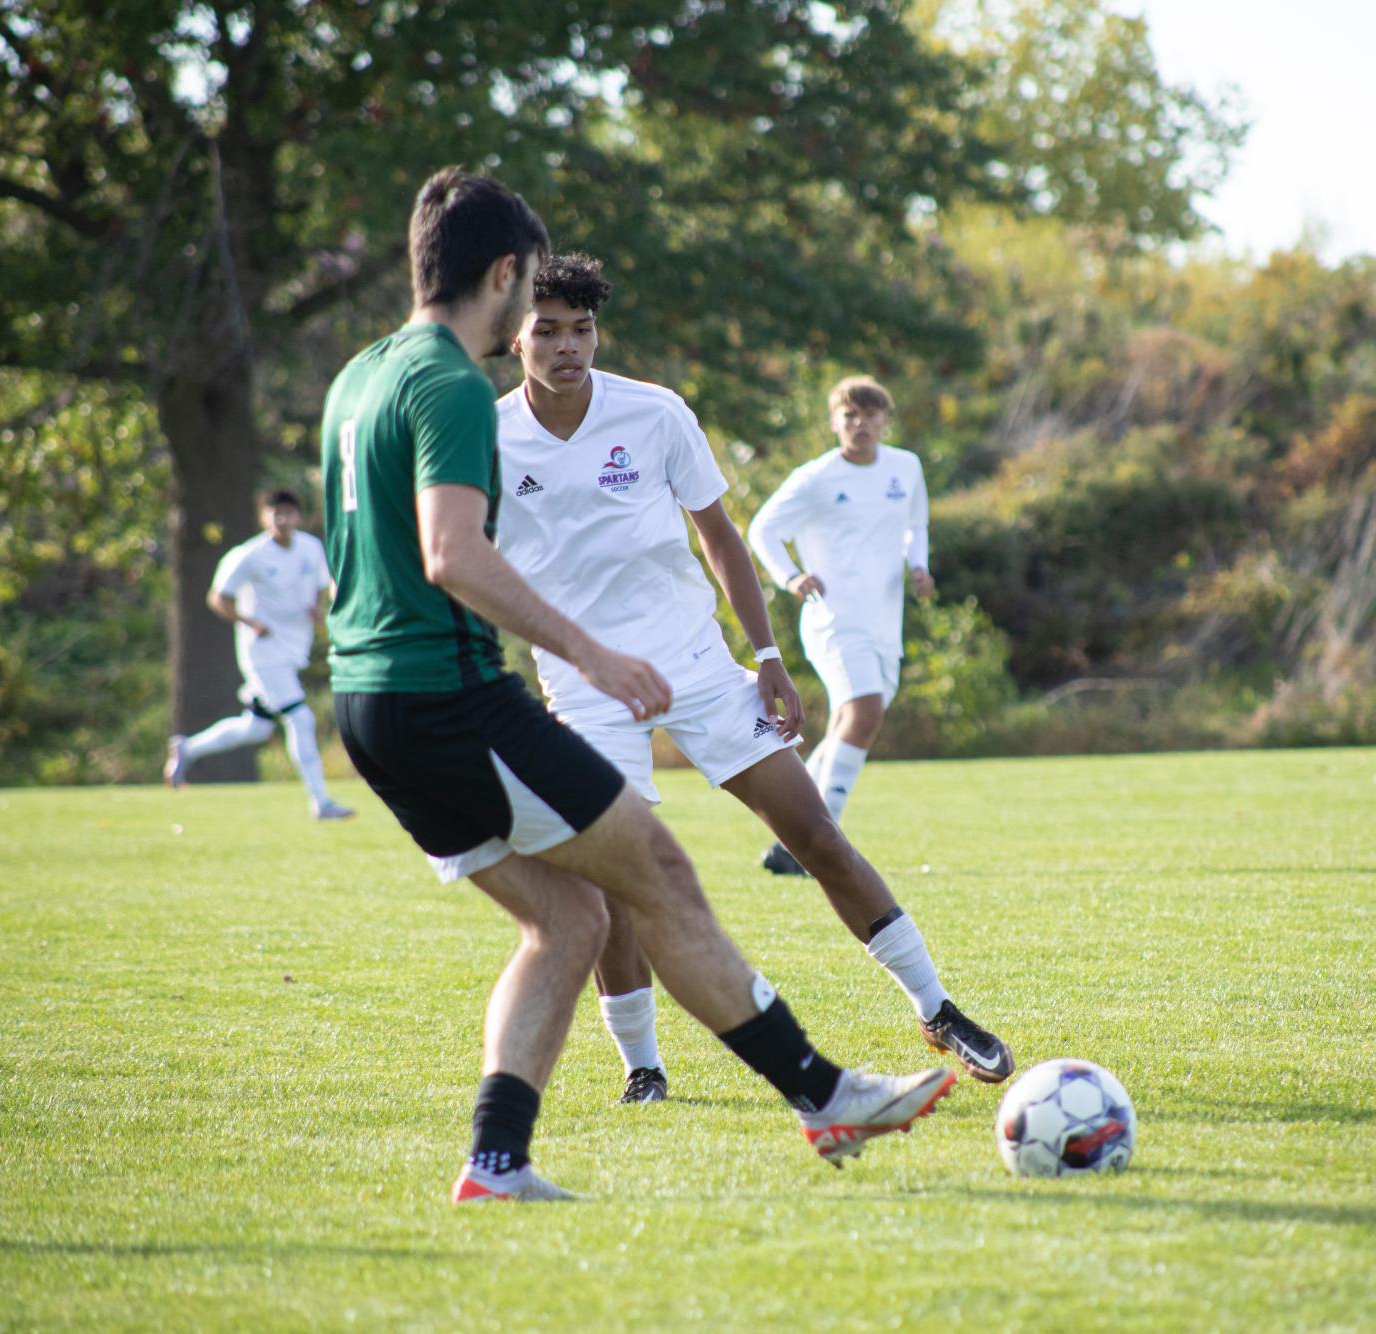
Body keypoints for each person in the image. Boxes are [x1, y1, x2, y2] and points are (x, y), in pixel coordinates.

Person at [319, 167, 953, 1203]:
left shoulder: (361, 377)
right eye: (532, 298)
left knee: (568, 921)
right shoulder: (448, 384)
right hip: (447, 695)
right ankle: (823, 1091)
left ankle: (496, 1159)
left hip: (369, 703)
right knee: (656, 868)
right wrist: (594, 652)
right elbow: (451, 553)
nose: (546, 323)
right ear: (505, 274)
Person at [494, 252, 1014, 1104]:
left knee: (814, 833)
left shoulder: (655, 413)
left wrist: (768, 657)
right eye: (546, 330)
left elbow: (722, 537)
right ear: (513, 338)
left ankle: (937, 1007)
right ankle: (642, 1066)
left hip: (695, 662)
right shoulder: (483, 435)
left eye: (581, 329)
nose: (567, 347)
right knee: (614, 876)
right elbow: (468, 562)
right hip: (585, 683)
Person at [748, 377, 932, 871]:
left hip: (884, 621)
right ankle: (821, 845)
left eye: (870, 415)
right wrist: (789, 576)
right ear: (834, 422)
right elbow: (761, 528)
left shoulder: (906, 467)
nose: (860, 424)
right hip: (833, 619)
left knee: (849, 724)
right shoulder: (816, 477)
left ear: (884, 420)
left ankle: (793, 840)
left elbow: (917, 526)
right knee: (865, 711)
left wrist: (919, 565)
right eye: (849, 415)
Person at [163, 490, 352, 820]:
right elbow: (218, 598)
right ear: (263, 517)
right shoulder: (248, 555)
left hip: (295, 647)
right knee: (300, 717)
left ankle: (187, 748)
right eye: (275, 513)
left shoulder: (311, 547)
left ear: (298, 516)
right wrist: (250, 622)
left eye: (288, 513)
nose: (282, 520)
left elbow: (323, 583)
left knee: (256, 728)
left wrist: (318, 608)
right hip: (263, 650)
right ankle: (321, 802)